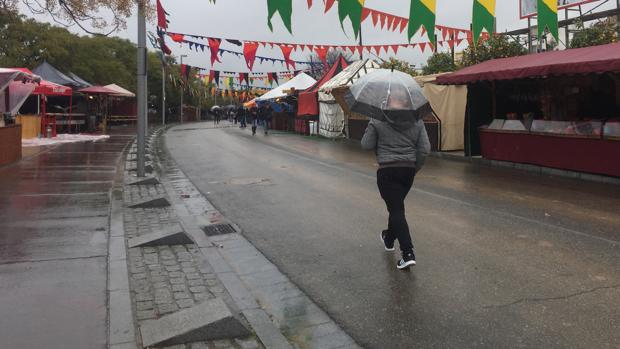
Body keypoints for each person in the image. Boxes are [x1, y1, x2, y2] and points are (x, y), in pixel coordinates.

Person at [361, 88, 431, 270]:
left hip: (387, 171)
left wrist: (372, 124)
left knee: (397, 210)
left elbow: (366, 145)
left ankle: (408, 253)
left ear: (389, 101)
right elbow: (424, 149)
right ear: (407, 102)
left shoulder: (378, 119)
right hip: (407, 171)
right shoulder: (417, 120)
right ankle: (388, 238)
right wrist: (415, 168)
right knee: (396, 207)